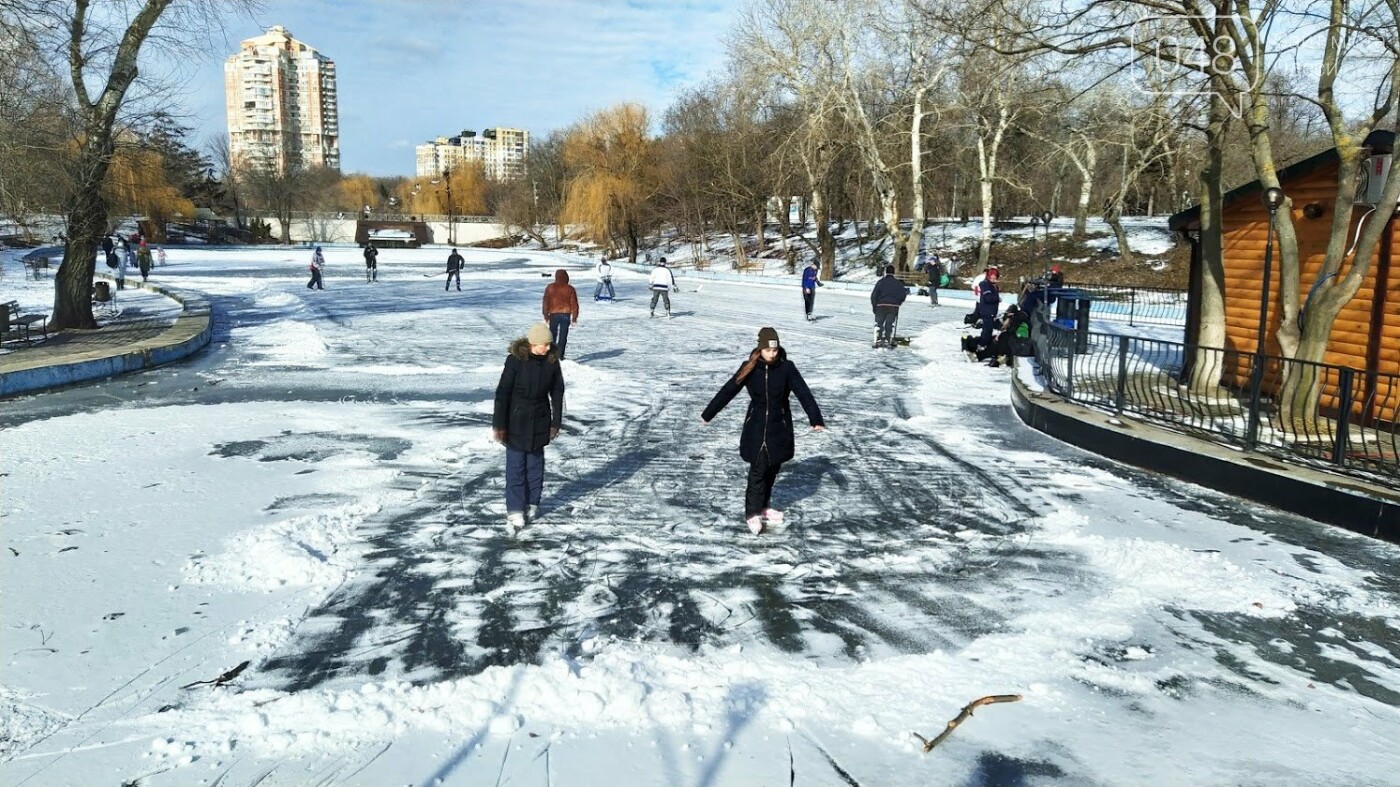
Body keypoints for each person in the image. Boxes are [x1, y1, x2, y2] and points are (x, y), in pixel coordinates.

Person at [701, 327, 825, 534]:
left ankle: (764, 507)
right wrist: (708, 414)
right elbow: (728, 390)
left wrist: (815, 418)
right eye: (768, 350)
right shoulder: (750, 367)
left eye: (775, 350)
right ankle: (752, 513)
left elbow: (803, 392)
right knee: (758, 471)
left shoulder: (787, 368)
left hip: (780, 427)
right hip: (756, 427)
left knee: (772, 468)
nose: (772, 354)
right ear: (760, 349)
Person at [492, 322, 566, 533]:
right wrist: (499, 424)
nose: (547, 348)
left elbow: (558, 392)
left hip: (540, 419)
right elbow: (502, 393)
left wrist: (556, 422)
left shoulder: (551, 361)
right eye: (544, 344)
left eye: (549, 344)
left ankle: (532, 503)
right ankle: (515, 509)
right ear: (533, 343)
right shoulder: (515, 360)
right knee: (516, 468)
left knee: (535, 467)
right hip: (516, 419)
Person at [542, 269, 580, 360]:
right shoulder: (570, 288)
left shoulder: (550, 287)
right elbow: (574, 303)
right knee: (563, 336)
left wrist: (545, 314)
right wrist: (574, 316)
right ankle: (560, 355)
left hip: (553, 314)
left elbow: (546, 301)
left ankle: (551, 354)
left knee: (552, 335)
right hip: (565, 314)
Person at [870, 264, 908, 349]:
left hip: (881, 305)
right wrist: (898, 302)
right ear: (894, 272)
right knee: (889, 323)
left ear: (886, 272)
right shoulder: (898, 283)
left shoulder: (881, 282)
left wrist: (874, 306)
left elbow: (874, 295)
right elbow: (903, 294)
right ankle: (888, 339)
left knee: (879, 323)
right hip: (893, 306)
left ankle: (878, 338)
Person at [974, 267, 1002, 352]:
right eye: (992, 278)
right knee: (987, 330)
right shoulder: (985, 284)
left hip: (992, 311)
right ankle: (979, 345)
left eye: (995, 278)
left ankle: (984, 345)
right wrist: (997, 298)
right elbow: (988, 297)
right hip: (987, 311)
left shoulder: (994, 286)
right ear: (988, 277)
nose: (993, 279)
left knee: (989, 330)